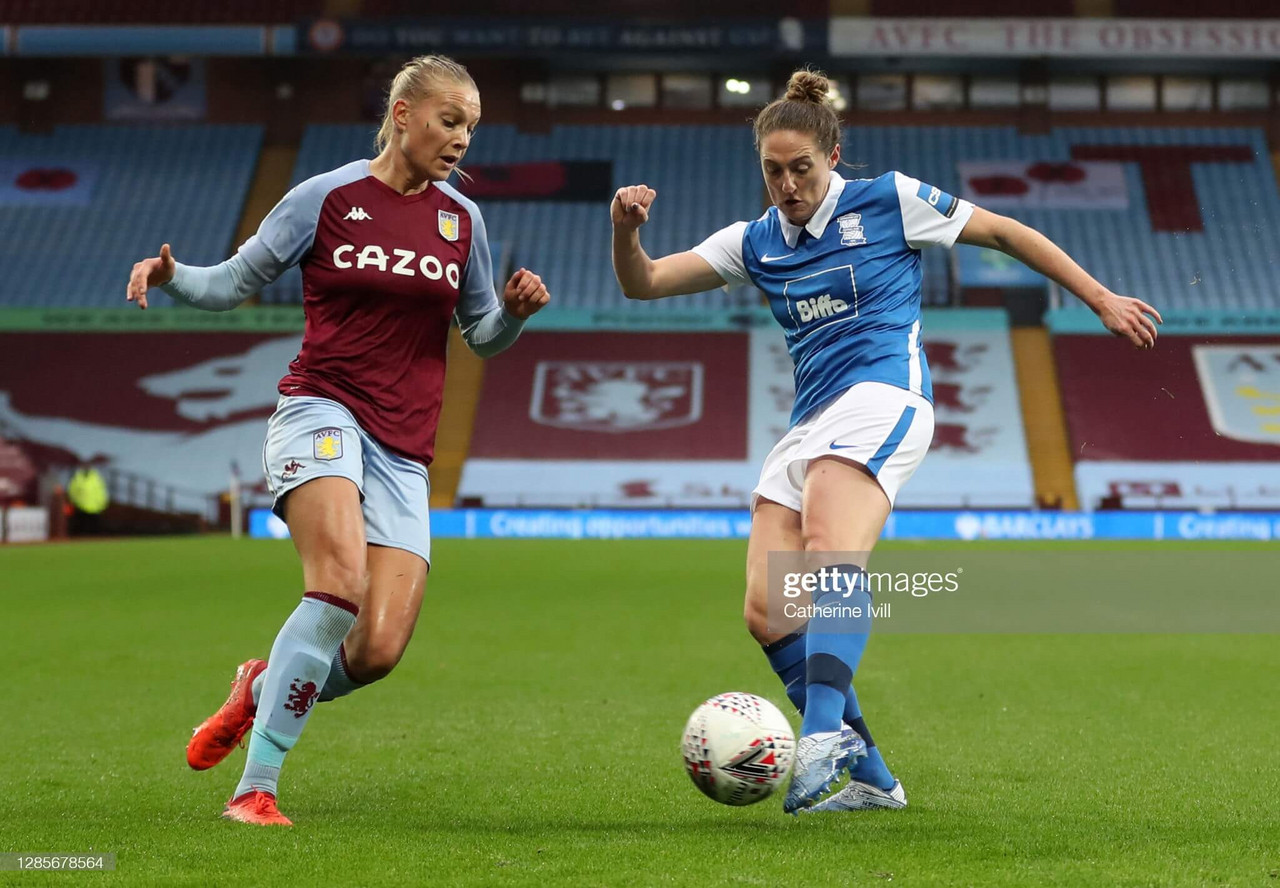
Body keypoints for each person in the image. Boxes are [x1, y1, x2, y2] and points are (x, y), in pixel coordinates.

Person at [610, 69, 1160, 814]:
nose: (787, 184)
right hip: (808, 422)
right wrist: (625, 231)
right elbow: (642, 283)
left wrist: (1098, 296)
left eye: (801, 167)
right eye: (773, 170)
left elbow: (1003, 230)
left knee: (829, 553)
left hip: (881, 398)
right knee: (768, 612)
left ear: (834, 157)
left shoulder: (889, 199)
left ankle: (822, 733)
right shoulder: (755, 242)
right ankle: (872, 778)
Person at [126, 55, 550, 826]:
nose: (461, 140)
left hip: (404, 445)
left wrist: (515, 313)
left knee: (378, 649)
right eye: (448, 121)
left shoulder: (463, 220)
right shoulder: (325, 197)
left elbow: (480, 335)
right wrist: (174, 274)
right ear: (402, 114)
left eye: (470, 129)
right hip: (322, 409)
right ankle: (256, 788)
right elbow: (234, 281)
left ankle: (257, 688)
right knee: (338, 584)